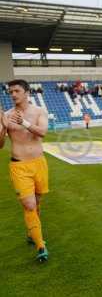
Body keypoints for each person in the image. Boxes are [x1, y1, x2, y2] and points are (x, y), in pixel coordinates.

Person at [0, 79, 50, 262]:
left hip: (39, 163)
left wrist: (25, 123)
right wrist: (3, 127)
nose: (13, 94)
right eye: (10, 92)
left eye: (16, 91)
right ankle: (40, 246)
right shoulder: (6, 115)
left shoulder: (39, 111)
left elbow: (43, 132)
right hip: (18, 165)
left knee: (36, 203)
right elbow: (0, 145)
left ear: (26, 92)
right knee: (29, 205)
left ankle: (32, 232)